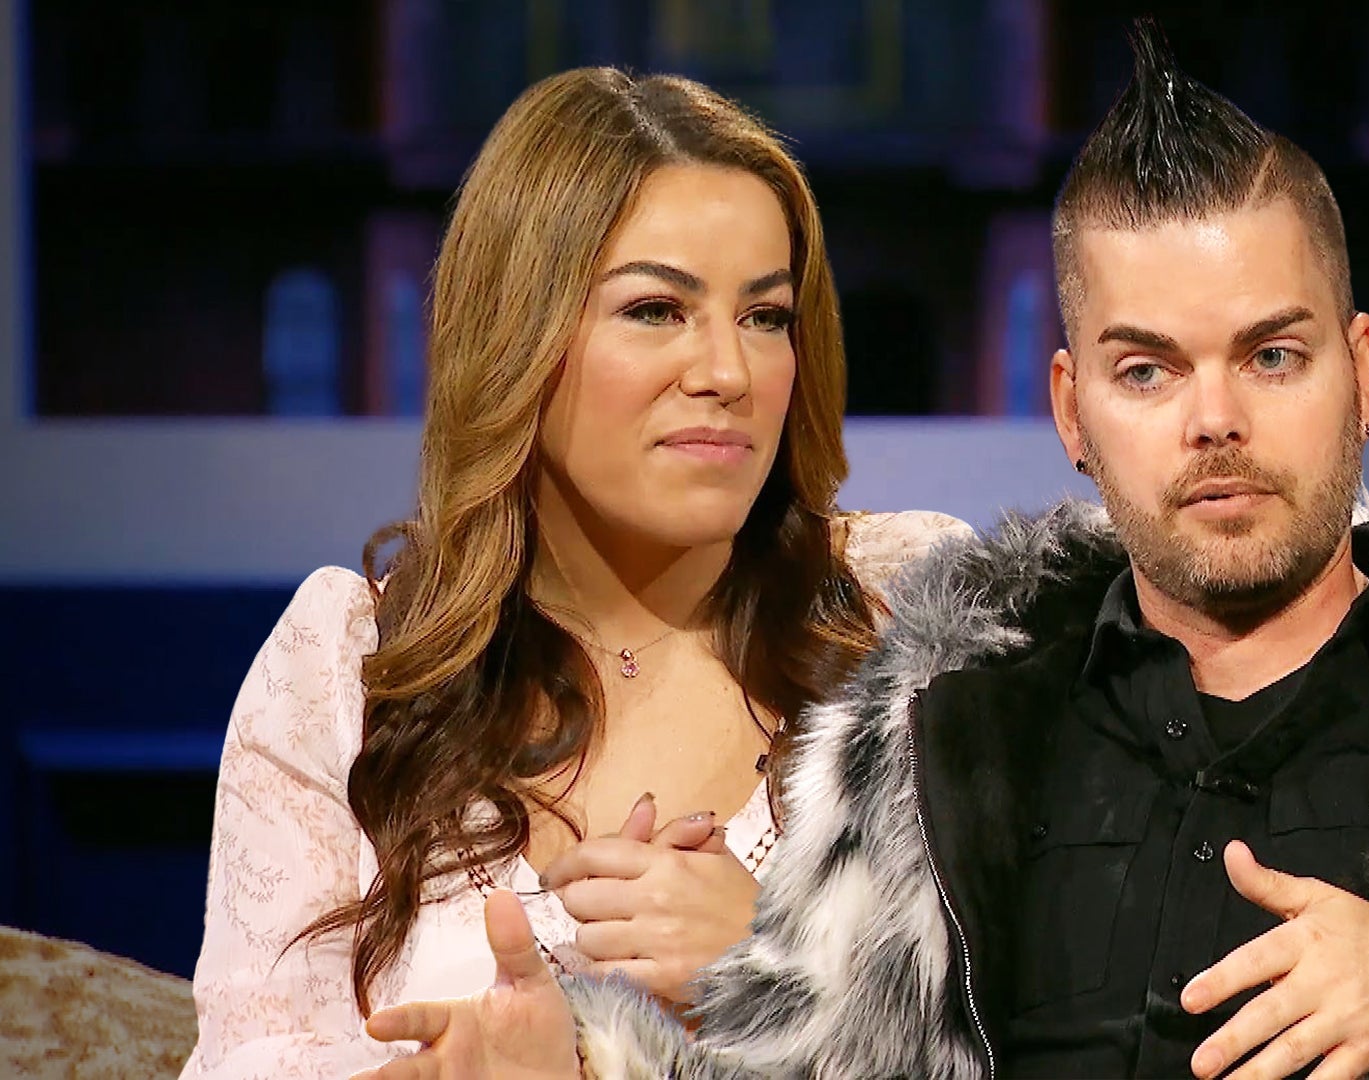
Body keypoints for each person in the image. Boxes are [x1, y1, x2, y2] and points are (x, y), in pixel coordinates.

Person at [356, 27, 1369, 1080]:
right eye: (1150, 369)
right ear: (1071, 410)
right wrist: (590, 1060)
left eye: (1273, 356)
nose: (1215, 420)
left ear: (1364, 372)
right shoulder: (943, 727)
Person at [179, 66, 968, 1078]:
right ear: (518, 337)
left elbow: (1060, 1029)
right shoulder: (348, 670)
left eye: (766, 317)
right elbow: (248, 1057)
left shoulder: (915, 621)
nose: (727, 372)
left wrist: (786, 979)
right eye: (657, 310)